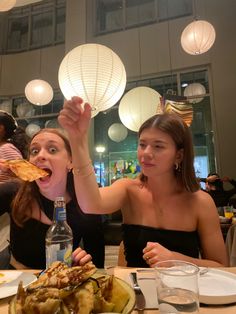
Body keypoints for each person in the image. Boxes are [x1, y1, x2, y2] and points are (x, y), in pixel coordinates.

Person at [58, 96, 228, 268]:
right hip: (134, 293)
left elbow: (221, 266)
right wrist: (77, 139)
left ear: (179, 155)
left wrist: (176, 260)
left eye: (158, 146)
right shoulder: (128, 189)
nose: (146, 153)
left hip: (182, 293)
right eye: (142, 144)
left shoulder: (200, 202)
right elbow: (90, 204)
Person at [0, 128, 105, 269]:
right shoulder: (13, 192)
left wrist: (83, 265)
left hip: (63, 282)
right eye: (34, 151)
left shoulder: (86, 204)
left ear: (70, 161)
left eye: (52, 150)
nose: (40, 156)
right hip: (19, 281)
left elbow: (97, 266)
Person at [0, 111, 30, 269]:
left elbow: (27, 177)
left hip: (5, 215)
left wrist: (9, 168)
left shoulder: (6, 149)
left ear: (1, 128)